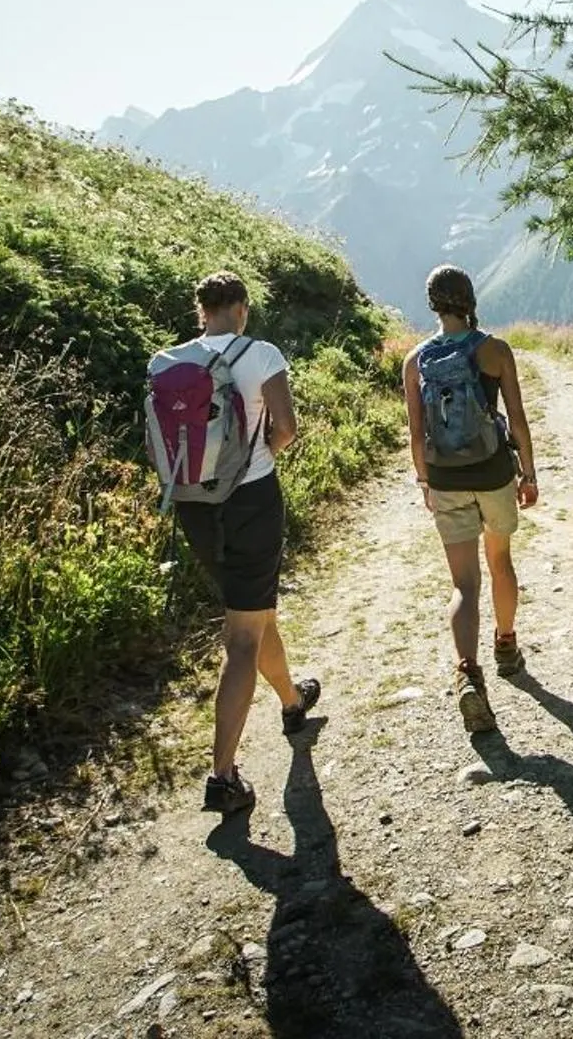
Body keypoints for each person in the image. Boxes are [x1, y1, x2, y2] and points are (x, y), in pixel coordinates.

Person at [174, 271, 321, 814]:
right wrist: (256, 461)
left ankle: (292, 701)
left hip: (194, 505)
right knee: (242, 637)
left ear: (201, 311)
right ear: (241, 308)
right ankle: (222, 778)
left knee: (253, 611)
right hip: (250, 501)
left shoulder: (171, 361)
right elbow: (286, 427)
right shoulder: (260, 354)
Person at [402, 264, 538, 733]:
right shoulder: (494, 350)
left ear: (432, 304)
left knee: (463, 584)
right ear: (469, 299)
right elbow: (517, 418)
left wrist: (426, 482)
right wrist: (529, 473)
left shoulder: (415, 361)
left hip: (445, 478)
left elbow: (416, 434)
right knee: (500, 562)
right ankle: (506, 645)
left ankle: (467, 674)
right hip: (494, 473)